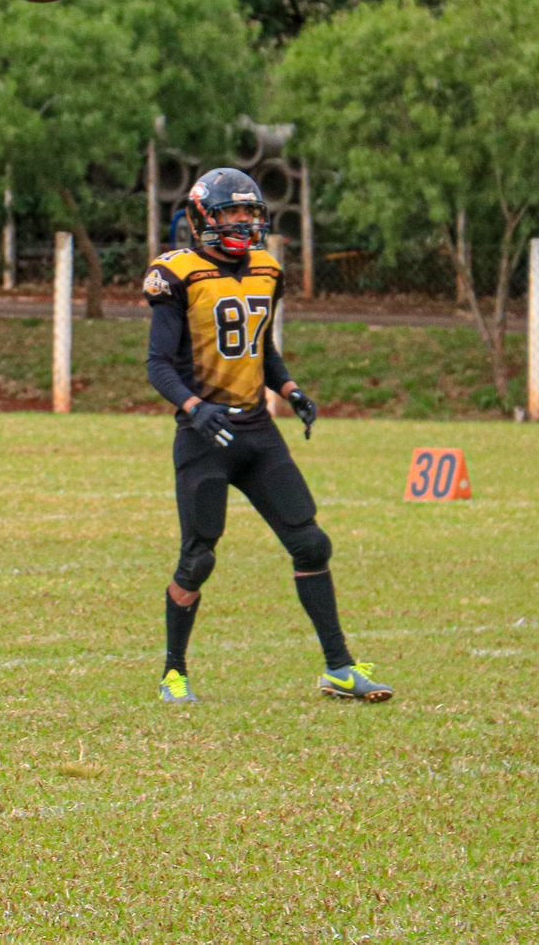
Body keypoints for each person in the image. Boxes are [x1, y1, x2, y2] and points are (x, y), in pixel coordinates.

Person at [143, 167, 392, 706]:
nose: (243, 223)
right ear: (203, 216)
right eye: (233, 213)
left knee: (310, 542)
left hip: (257, 429)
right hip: (205, 435)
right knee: (199, 558)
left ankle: (339, 668)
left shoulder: (265, 269)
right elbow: (158, 364)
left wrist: (291, 388)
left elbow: (258, 348)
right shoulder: (176, 274)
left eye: (250, 214)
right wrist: (194, 406)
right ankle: (173, 672)